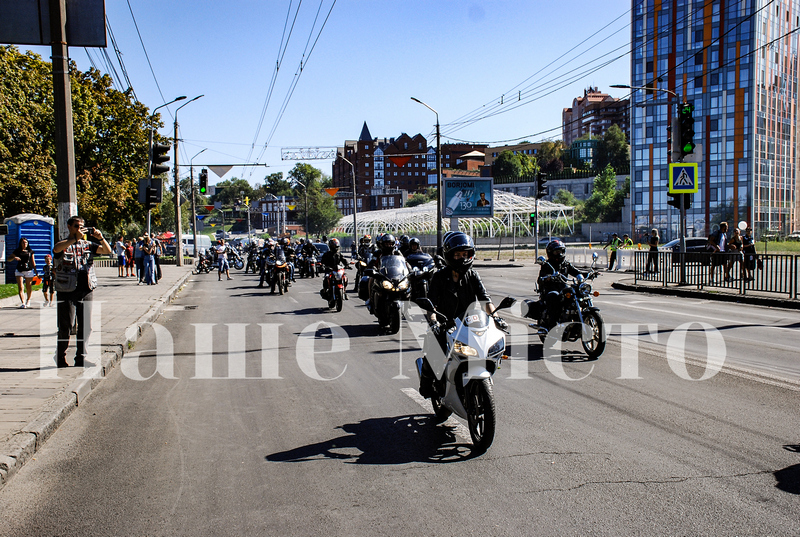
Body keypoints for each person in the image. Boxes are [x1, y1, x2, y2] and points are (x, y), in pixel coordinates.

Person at [419, 232, 495, 398]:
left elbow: (485, 299)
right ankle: (426, 383)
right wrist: (433, 322)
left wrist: (495, 317)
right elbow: (431, 305)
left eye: (465, 254)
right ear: (449, 255)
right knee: (433, 349)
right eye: (458, 254)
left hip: (468, 324)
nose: (462, 258)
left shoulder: (473, 275)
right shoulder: (439, 277)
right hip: (444, 323)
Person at [52, 216, 112, 368]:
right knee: (66, 326)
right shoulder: (64, 244)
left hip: (85, 290)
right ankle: (60, 356)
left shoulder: (88, 245)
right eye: (77, 226)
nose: (80, 229)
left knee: (85, 326)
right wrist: (74, 239)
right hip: (66, 290)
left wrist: (100, 237)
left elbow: (107, 250)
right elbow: (56, 249)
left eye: (82, 226)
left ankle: (80, 358)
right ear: (69, 227)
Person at [537, 239, 588, 330]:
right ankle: (553, 325)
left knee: (576, 293)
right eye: (556, 252)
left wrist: (589, 273)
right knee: (555, 296)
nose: (559, 254)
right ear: (551, 253)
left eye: (561, 251)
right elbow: (540, 279)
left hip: (563, 287)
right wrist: (548, 278)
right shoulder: (547, 265)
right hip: (550, 289)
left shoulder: (566, 264)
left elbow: (577, 272)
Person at [8, 237, 36, 308]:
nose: (25, 244)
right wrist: (14, 258)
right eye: (23, 242)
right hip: (19, 270)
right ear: (21, 243)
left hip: (28, 270)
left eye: (26, 242)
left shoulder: (30, 251)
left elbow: (33, 262)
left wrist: (36, 271)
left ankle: (28, 300)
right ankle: (23, 303)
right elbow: (9, 259)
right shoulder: (17, 251)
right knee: (21, 287)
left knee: (28, 287)